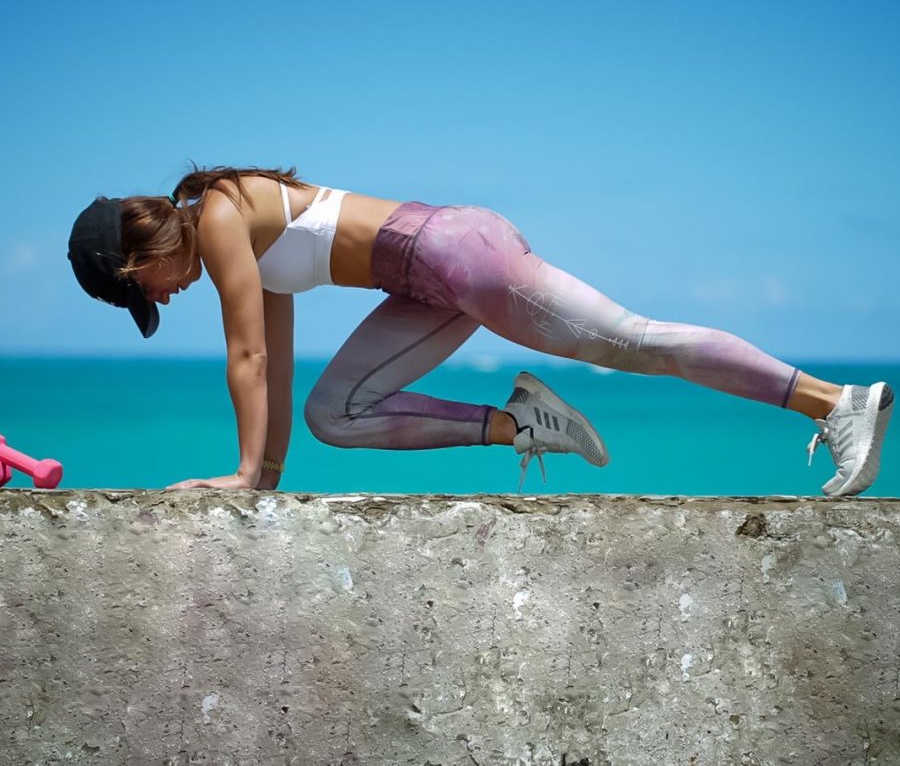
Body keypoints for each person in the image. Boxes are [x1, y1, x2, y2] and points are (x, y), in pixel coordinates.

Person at [68, 166, 893, 496]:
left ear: (140, 253)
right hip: (428, 281)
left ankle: (834, 402)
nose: (163, 302)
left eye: (145, 293)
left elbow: (243, 355)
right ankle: (521, 421)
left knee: (636, 342)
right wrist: (264, 480)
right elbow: (273, 370)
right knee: (334, 414)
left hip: (456, 256)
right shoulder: (233, 238)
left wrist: (242, 477)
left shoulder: (215, 214)